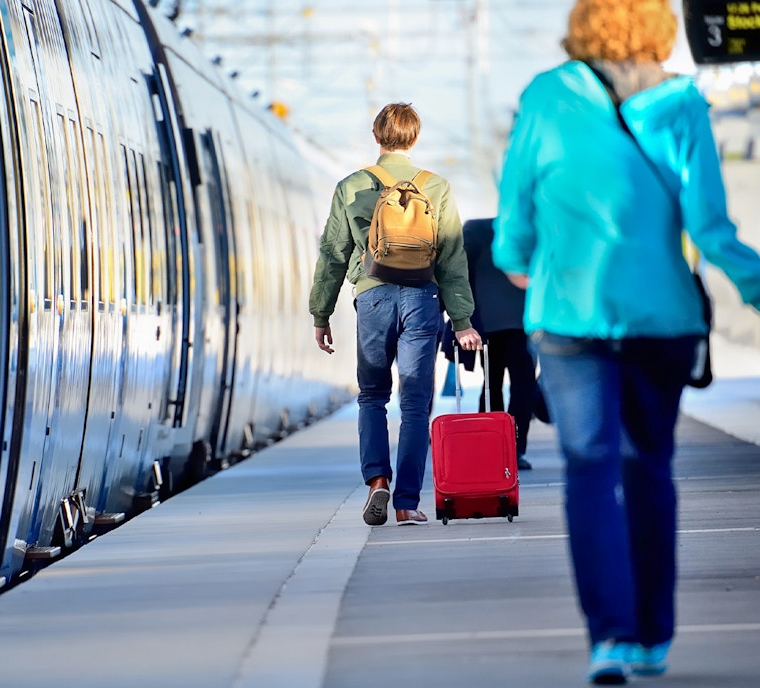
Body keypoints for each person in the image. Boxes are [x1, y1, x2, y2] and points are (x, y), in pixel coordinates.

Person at [493, 0, 760, 684]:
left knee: (590, 469)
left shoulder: (548, 96)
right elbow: (710, 226)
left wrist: (527, 257)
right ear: (660, 29)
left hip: (569, 321)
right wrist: (755, 286)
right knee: (648, 468)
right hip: (660, 320)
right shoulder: (681, 101)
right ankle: (652, 639)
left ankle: (608, 639)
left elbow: (515, 221)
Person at [308, 102, 482, 528]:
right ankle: (407, 503)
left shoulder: (351, 186)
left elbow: (333, 254)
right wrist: (462, 321)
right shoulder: (436, 188)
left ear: (377, 137)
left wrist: (321, 312)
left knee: (372, 396)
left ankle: (376, 482)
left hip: (372, 298)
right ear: (415, 138)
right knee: (417, 403)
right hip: (422, 300)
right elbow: (453, 260)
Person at [462, 217, 538, 471]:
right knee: (521, 387)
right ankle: (515, 450)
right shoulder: (528, 233)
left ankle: (492, 449)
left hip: (489, 325)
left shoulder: (475, 235)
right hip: (519, 325)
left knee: (492, 385)